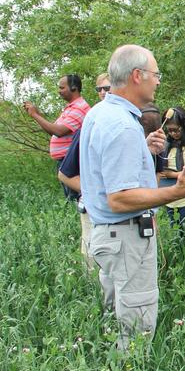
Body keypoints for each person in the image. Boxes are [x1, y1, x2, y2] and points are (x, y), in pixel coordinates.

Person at [80, 45, 185, 349]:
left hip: (109, 236)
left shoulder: (100, 113)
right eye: (156, 74)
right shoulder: (120, 125)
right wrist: (176, 192)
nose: (158, 81)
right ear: (137, 76)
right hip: (127, 238)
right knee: (135, 327)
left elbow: (104, 171)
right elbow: (120, 198)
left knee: (113, 319)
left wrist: (143, 149)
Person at [57, 72, 114, 270]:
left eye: (108, 88)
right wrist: (92, 192)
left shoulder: (132, 123)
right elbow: (65, 174)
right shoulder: (90, 124)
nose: (104, 93)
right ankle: (94, 294)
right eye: (100, 89)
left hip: (123, 214)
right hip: (94, 206)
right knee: (91, 249)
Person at [23, 73, 91, 175]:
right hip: (67, 161)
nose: (59, 91)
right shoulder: (71, 108)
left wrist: (34, 115)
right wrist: (37, 114)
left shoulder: (79, 108)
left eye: (62, 88)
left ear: (73, 88)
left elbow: (58, 131)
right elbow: (53, 131)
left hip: (71, 162)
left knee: (74, 191)